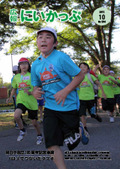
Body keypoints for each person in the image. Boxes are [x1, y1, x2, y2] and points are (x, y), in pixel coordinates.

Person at [31, 27, 88, 169]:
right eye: (40, 37)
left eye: (48, 37)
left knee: (72, 143)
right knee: (51, 144)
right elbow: (36, 86)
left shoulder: (61, 57)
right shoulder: (35, 64)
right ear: (37, 42)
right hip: (50, 107)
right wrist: (35, 92)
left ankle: (80, 129)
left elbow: (80, 75)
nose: (43, 39)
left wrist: (65, 91)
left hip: (68, 105)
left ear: (55, 43)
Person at [6, 58, 43, 145]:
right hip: (21, 100)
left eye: (25, 63)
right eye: (21, 64)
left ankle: (39, 135)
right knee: (16, 116)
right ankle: (22, 130)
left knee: (34, 123)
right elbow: (14, 88)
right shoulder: (16, 77)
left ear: (28, 65)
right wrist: (10, 97)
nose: (23, 65)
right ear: (19, 66)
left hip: (32, 101)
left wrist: (30, 92)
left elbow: (37, 88)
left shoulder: (32, 75)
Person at [78, 62, 106, 133]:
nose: (83, 68)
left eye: (84, 67)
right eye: (81, 67)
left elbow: (99, 84)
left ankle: (95, 116)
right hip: (81, 98)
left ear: (87, 69)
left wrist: (103, 93)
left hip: (91, 98)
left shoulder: (90, 76)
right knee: (82, 114)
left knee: (92, 114)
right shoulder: (77, 77)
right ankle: (84, 127)